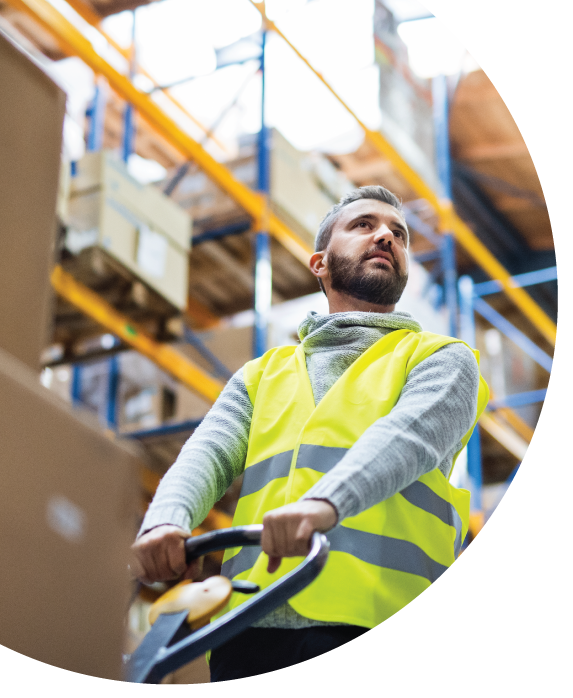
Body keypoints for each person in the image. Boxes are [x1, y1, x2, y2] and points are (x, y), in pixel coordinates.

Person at [129, 185, 489, 681]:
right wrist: (166, 521)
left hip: (374, 616)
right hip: (247, 631)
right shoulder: (261, 375)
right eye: (363, 225)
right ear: (319, 263)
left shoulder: (442, 359)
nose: (386, 235)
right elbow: (206, 454)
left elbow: (410, 438)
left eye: (399, 234)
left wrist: (323, 504)